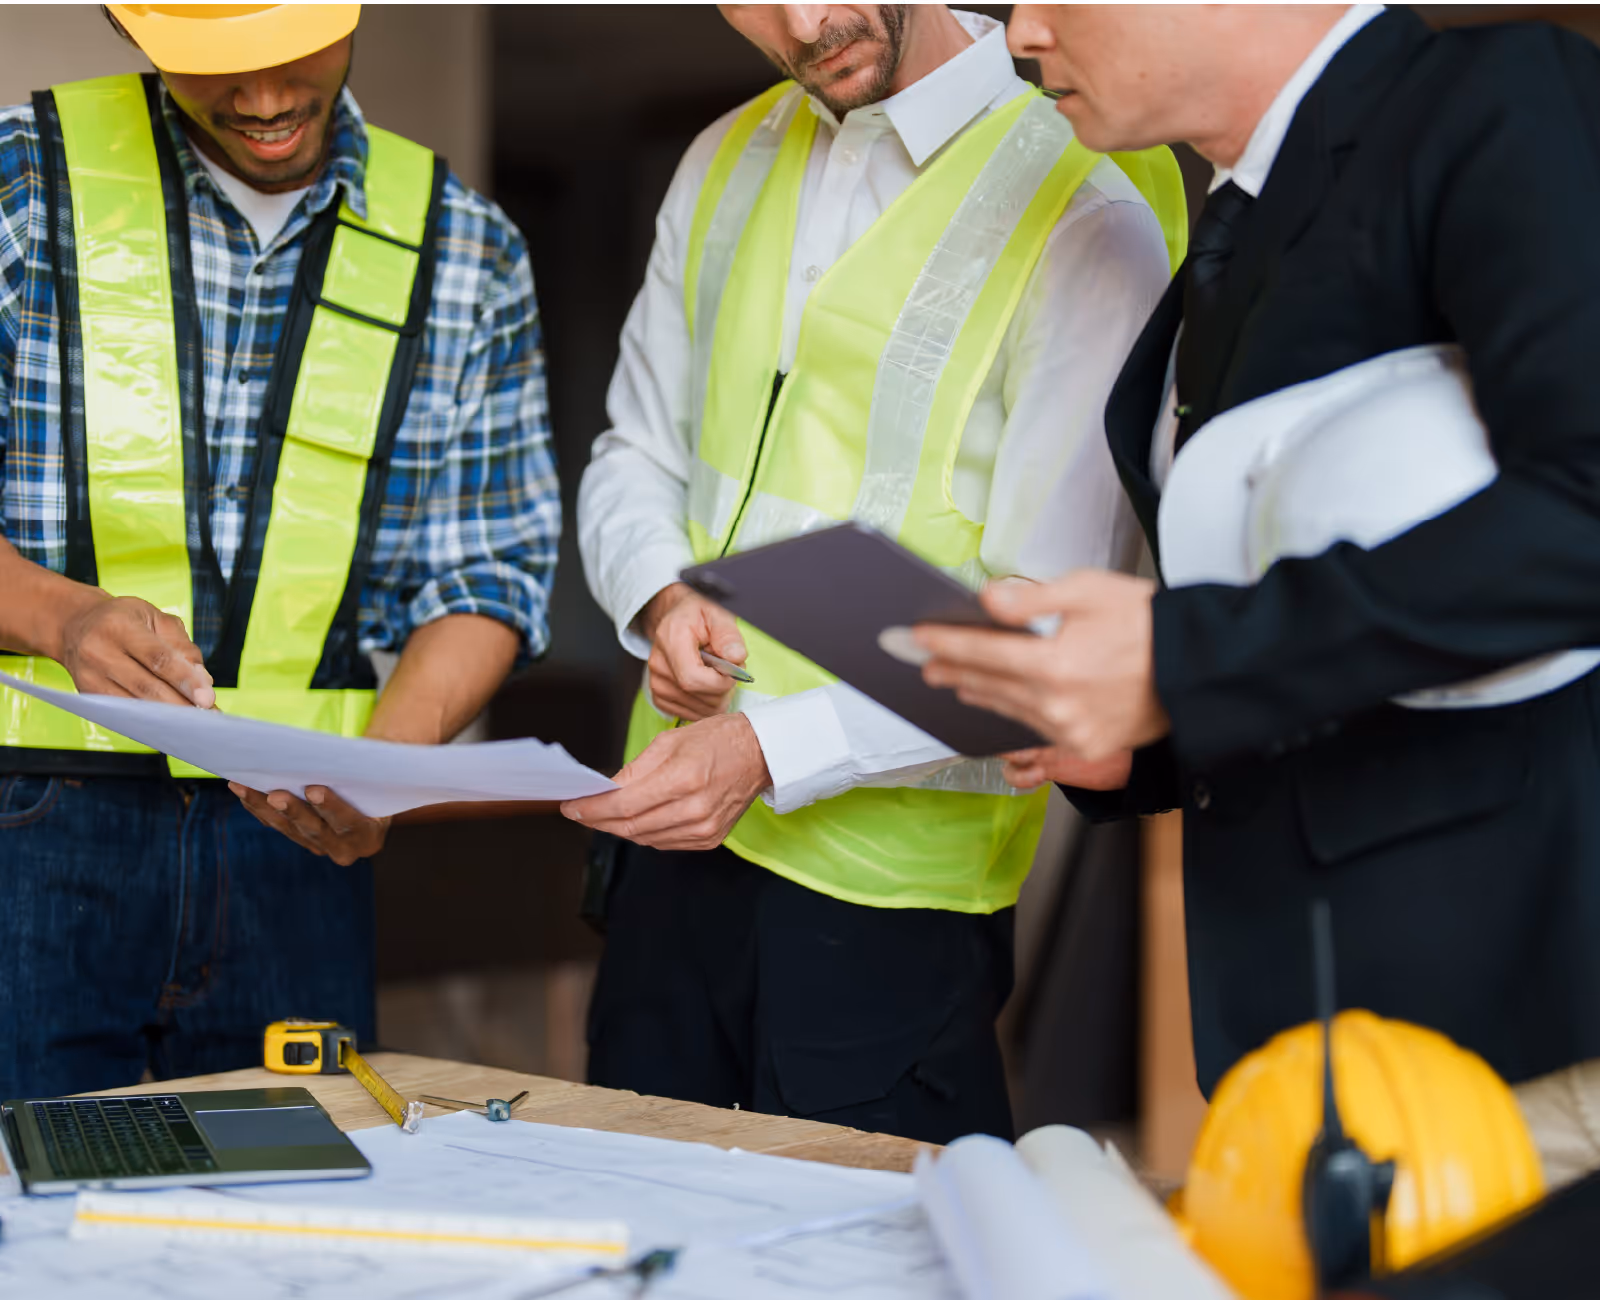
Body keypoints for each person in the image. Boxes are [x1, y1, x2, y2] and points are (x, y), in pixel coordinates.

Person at [915, 4, 1600, 1181]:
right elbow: (1335, 644)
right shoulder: (1230, 232)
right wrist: (1139, 741)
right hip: (1307, 1061)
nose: (1019, 32)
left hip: (1524, 1040)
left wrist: (1179, 661)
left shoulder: (1500, 95)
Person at [564, 3, 1185, 1144]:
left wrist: (764, 748)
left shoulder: (1088, 200)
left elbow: (1046, 650)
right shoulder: (721, 158)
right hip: (670, 858)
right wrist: (660, 590)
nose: (806, 22)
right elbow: (633, 452)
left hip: (892, 908)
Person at [0, 4, 558, 1098]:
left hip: (303, 851)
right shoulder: (22, 187)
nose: (261, 99)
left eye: (292, 50)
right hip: (30, 830)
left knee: (290, 1222)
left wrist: (385, 767)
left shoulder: (465, 248)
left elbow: (489, 571)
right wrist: (59, 617)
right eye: (217, 65)